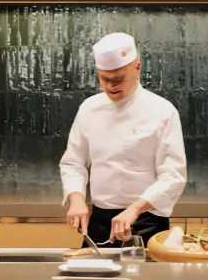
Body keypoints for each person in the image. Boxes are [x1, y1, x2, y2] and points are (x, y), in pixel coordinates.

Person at [59, 32, 187, 244]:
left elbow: (173, 176)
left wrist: (135, 209)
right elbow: (73, 163)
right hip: (99, 221)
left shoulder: (162, 111)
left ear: (137, 67)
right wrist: (77, 200)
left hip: (146, 221)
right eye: (104, 79)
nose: (111, 86)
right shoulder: (90, 109)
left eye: (118, 79)